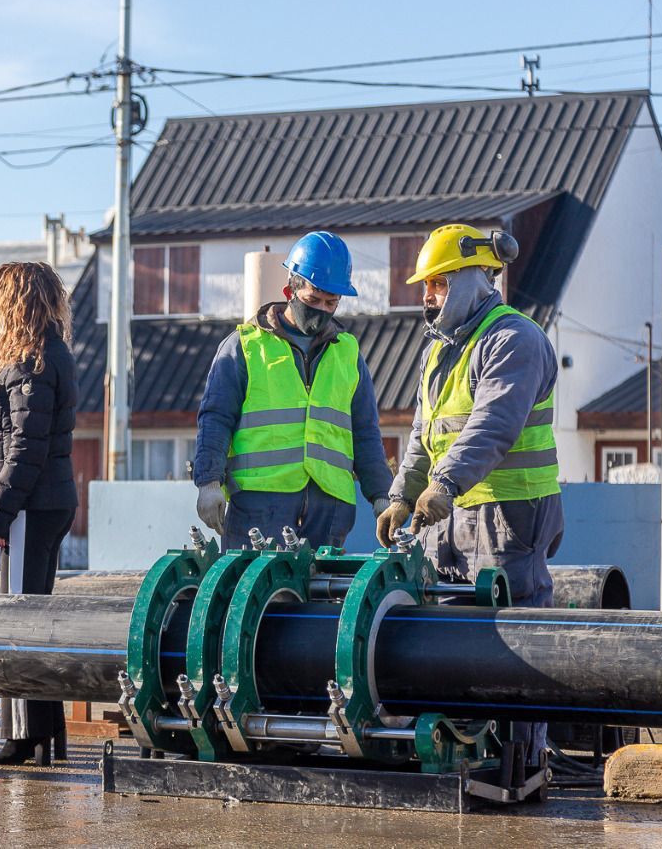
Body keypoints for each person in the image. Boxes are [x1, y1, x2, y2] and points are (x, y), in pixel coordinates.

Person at [375, 223, 562, 764]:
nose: (428, 296)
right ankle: (464, 757)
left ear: (478, 277)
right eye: (426, 285)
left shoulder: (513, 340)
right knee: (453, 637)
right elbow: (422, 436)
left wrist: (443, 486)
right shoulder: (438, 353)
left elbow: (491, 426)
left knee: (515, 641)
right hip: (452, 513)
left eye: (439, 282)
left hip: (508, 514)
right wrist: (400, 497)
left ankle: (522, 763)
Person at [193, 231, 393, 552]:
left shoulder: (348, 353)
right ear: (290, 290)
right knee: (254, 596)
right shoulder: (244, 346)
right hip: (259, 505)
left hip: (329, 508)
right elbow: (215, 419)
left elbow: (365, 432)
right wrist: (208, 483)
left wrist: (382, 495)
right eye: (313, 300)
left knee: (322, 600)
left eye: (331, 303)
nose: (322, 309)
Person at [0, 262, 77, 767]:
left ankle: (25, 733)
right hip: (46, 503)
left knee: (18, 620)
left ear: (13, 301)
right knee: (34, 615)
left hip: (30, 508)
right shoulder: (44, 353)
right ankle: (48, 728)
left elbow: (24, 448)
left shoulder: (31, 361)